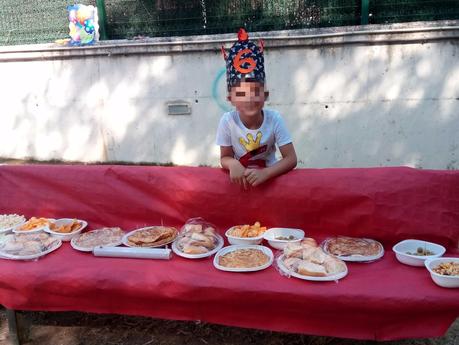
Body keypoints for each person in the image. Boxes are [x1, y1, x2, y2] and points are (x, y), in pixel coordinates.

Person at [216, 28, 297, 189]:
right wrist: (232, 164)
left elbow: (291, 158)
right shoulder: (227, 121)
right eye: (241, 93)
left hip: (271, 182)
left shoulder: (274, 119)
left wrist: (266, 173)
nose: (249, 99)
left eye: (255, 91)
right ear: (230, 99)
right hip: (241, 183)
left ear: (265, 95)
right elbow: (224, 157)